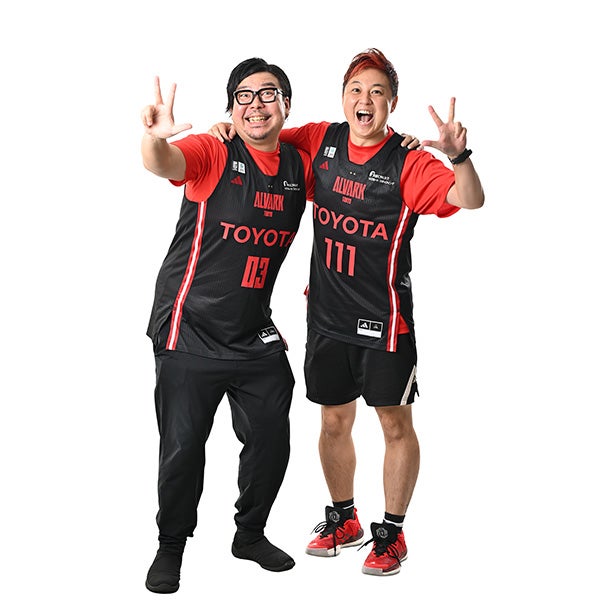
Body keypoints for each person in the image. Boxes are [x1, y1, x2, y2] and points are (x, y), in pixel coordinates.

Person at [208, 47, 484, 577]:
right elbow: (262, 134)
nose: (365, 100)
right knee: (333, 420)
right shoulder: (320, 140)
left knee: (394, 424)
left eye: (377, 92)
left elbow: (469, 199)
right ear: (342, 98)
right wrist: (227, 128)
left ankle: (393, 533)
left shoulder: (408, 161)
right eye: (356, 89)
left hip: (385, 320)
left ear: (392, 103)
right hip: (326, 317)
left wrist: (460, 156)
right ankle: (344, 518)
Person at [140, 57, 315, 593]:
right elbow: (164, 162)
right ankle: (171, 545)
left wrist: (400, 145)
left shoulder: (300, 166)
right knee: (183, 446)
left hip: (252, 332)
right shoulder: (215, 151)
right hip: (188, 327)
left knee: (271, 435)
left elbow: (351, 156)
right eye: (244, 96)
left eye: (268, 94)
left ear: (286, 105)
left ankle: (250, 535)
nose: (255, 104)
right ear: (230, 108)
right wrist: (155, 139)